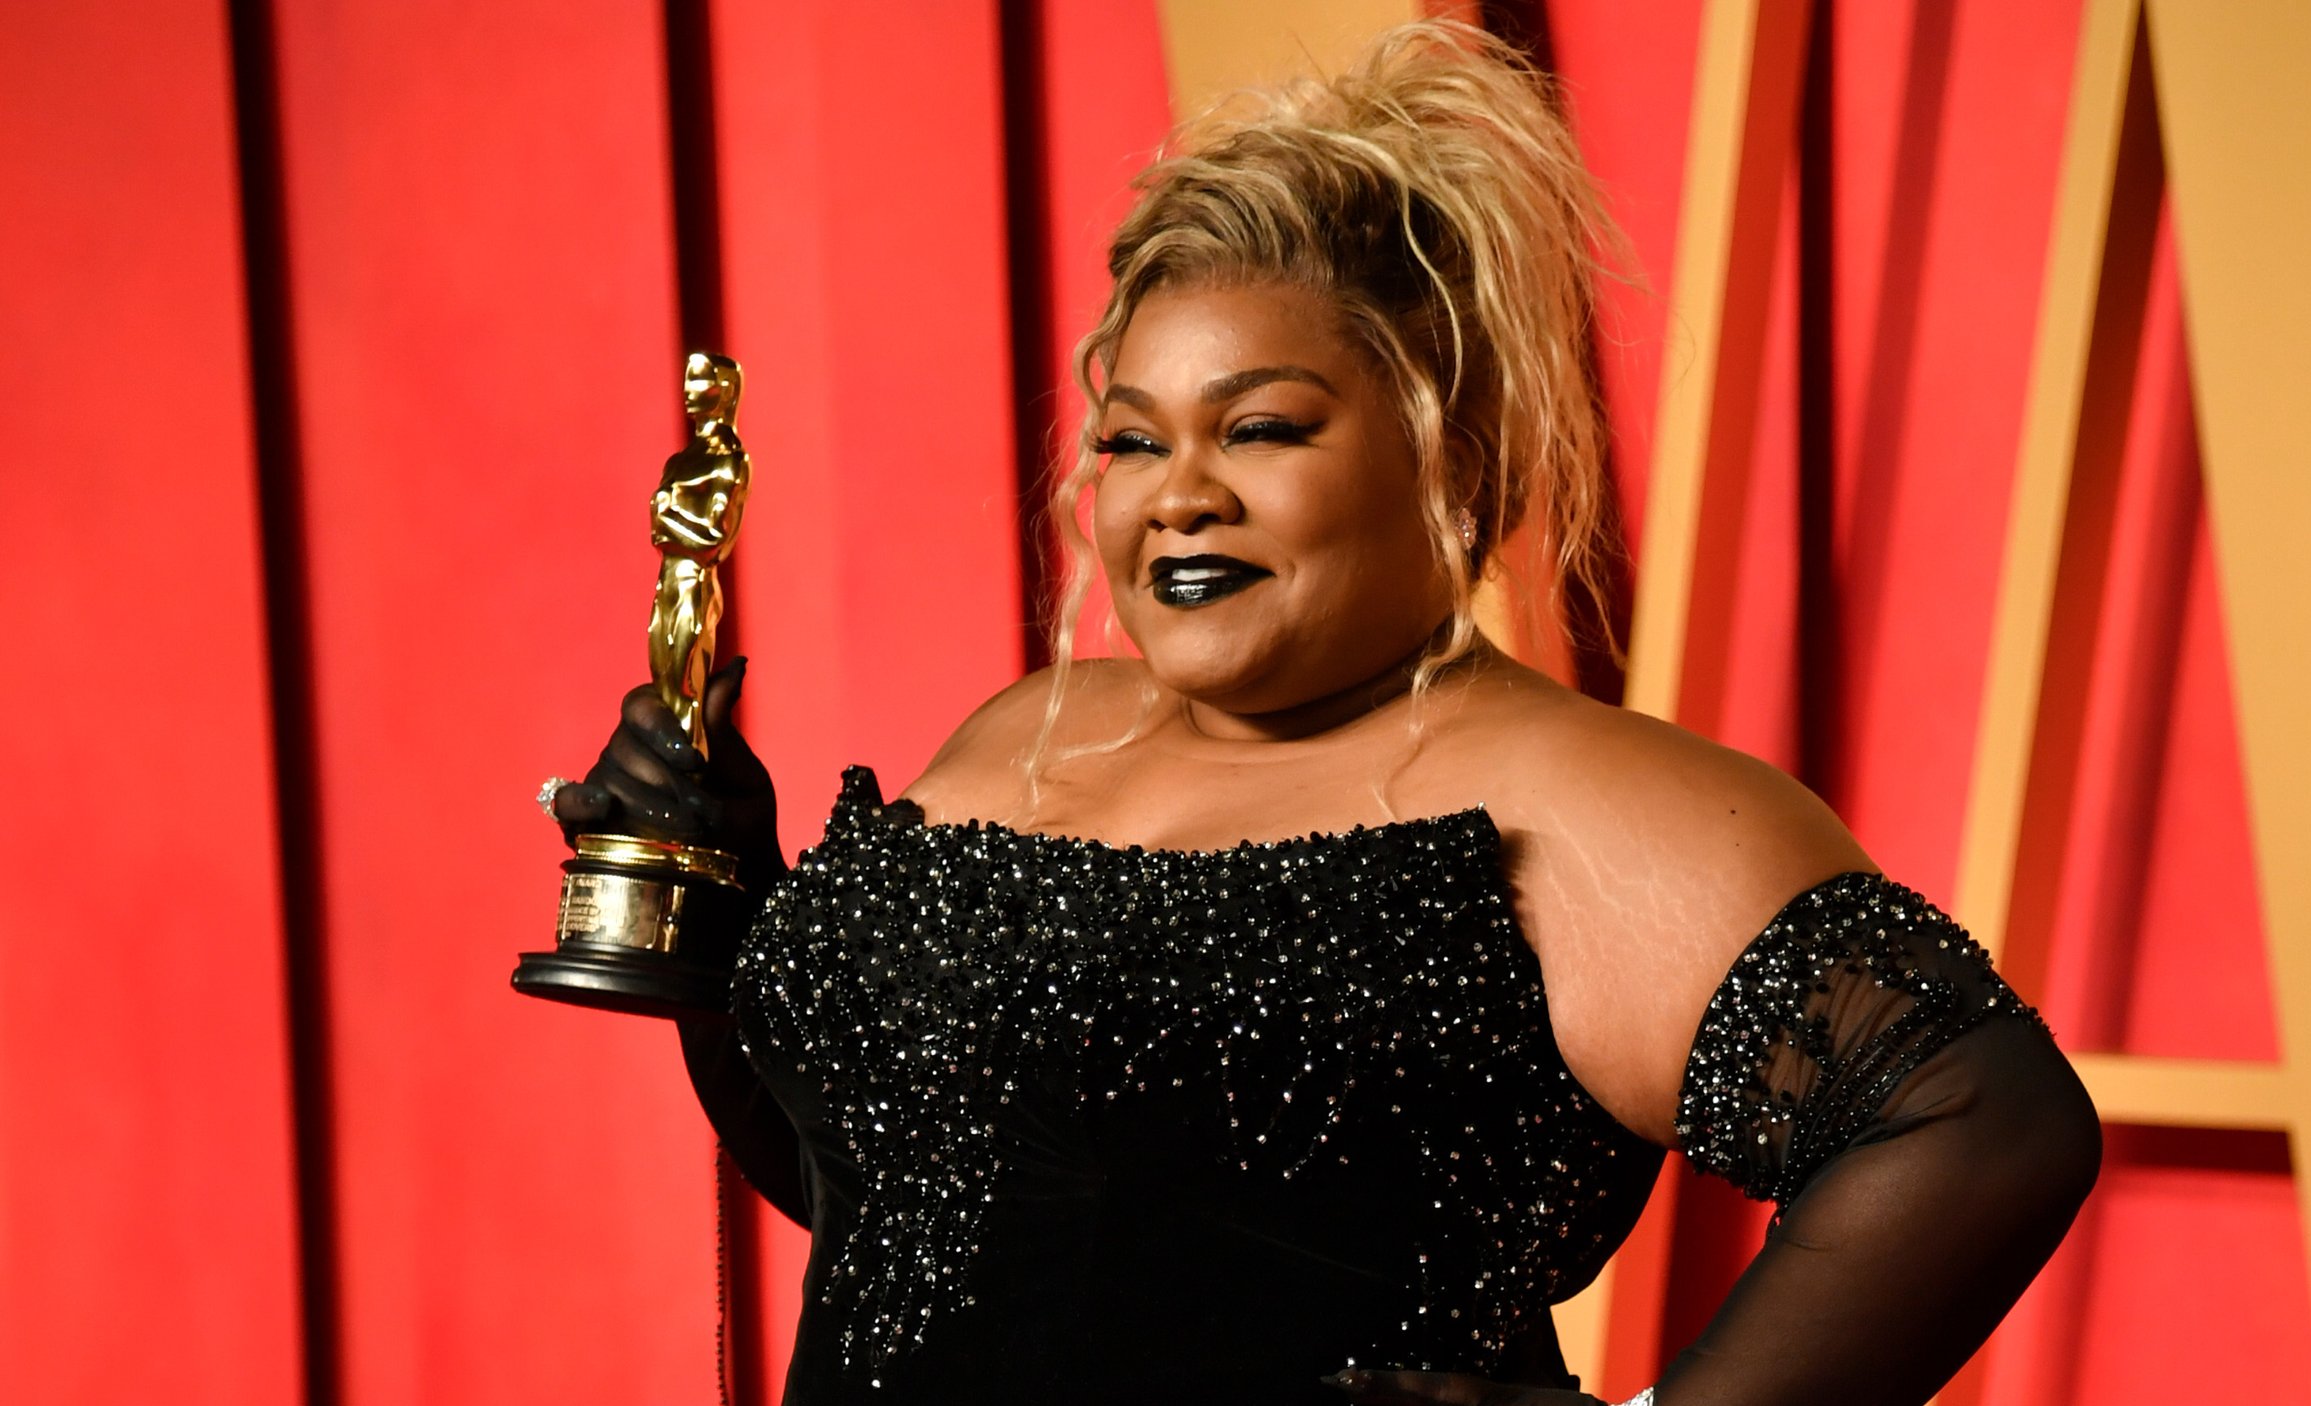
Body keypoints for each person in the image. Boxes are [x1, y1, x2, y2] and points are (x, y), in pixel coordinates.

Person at [546, 22, 2100, 1406]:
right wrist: (718, 903)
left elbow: (1984, 1117)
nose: (1179, 496)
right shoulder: (1025, 731)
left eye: (1263, 428)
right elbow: (914, 1192)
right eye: (1133, 440)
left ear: (1451, 457)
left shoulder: (1580, 800)